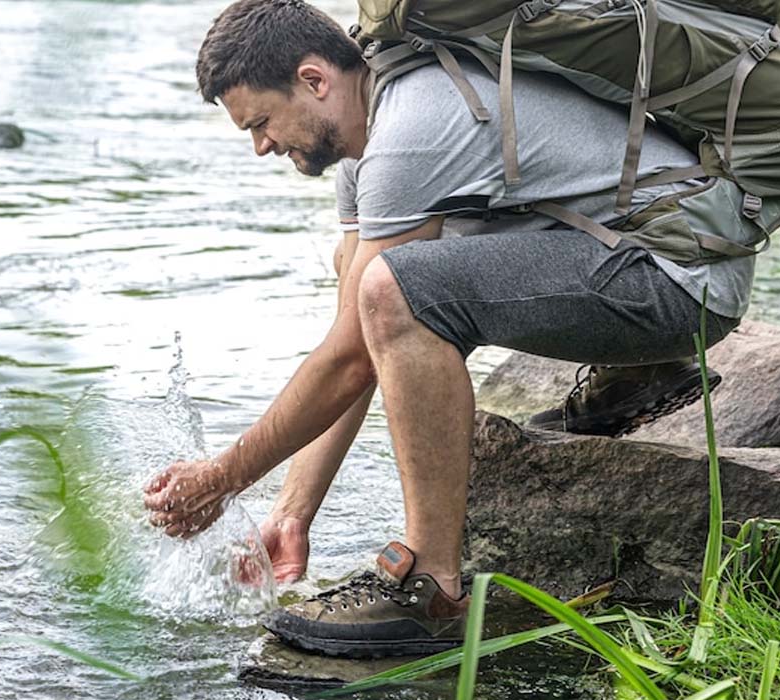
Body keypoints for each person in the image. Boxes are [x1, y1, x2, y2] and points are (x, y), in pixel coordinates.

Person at [143, 0, 749, 658]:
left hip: (677, 283)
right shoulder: (365, 148)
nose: (261, 146)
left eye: (260, 122)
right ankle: (640, 370)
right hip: (653, 261)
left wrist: (224, 475)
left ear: (314, 80)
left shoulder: (413, 128)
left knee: (396, 288)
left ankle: (430, 585)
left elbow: (358, 345)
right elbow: (362, 346)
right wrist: (291, 512)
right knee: (388, 291)